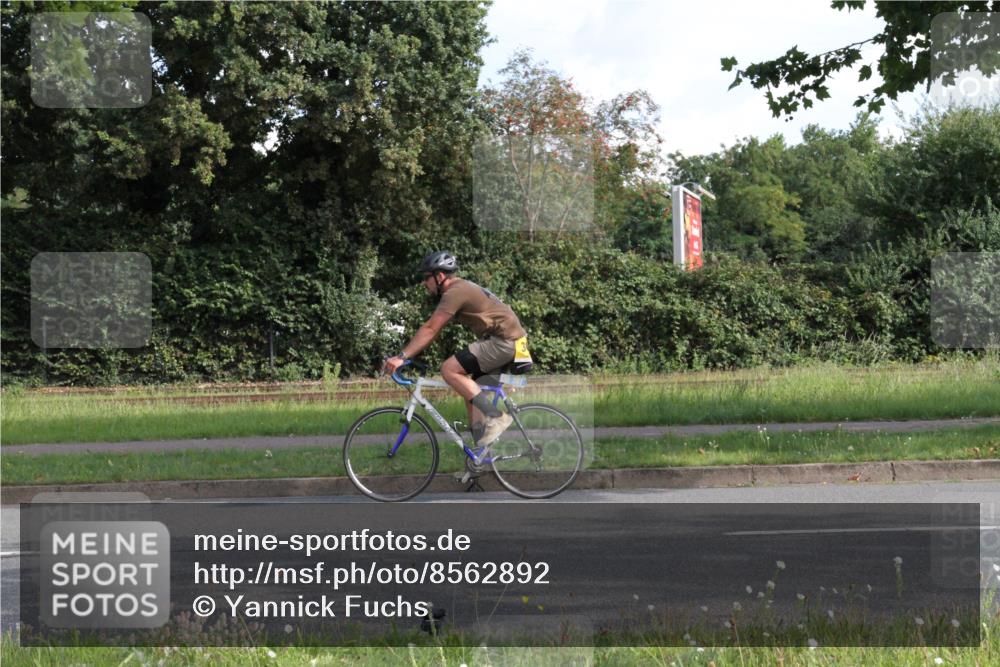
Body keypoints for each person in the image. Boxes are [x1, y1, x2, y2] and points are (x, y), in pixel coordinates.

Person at [381, 250, 530, 446]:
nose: (424, 283)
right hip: (510, 341)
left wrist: (402, 356)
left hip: (504, 341)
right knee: (471, 392)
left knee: (449, 369)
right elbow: (433, 331)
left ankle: (497, 417)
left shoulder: (455, 292)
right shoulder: (461, 288)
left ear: (440, 276)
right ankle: (479, 454)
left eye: (427, 278)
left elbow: (431, 328)